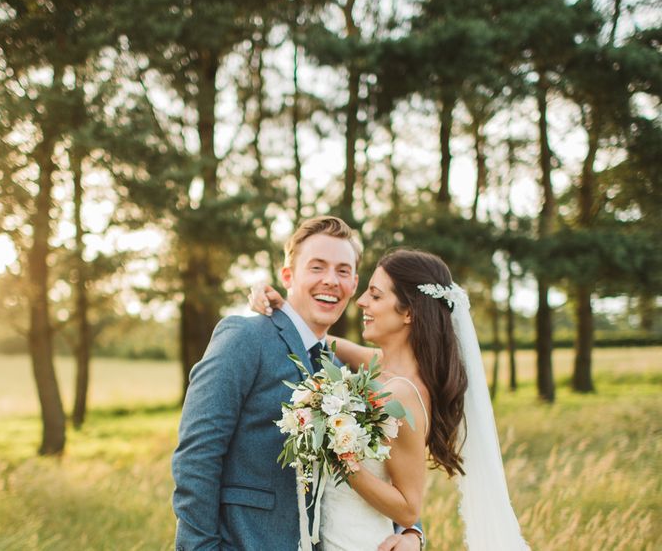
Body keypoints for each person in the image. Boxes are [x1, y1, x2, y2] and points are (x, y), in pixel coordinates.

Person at [251, 248, 530, 551]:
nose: (361, 302)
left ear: (408, 312)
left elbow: (409, 508)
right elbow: (329, 342)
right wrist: (288, 313)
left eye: (376, 295)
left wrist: (340, 455)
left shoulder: (402, 393)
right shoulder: (382, 366)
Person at [171, 216, 422, 551]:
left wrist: (412, 533)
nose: (331, 280)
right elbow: (197, 456)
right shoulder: (245, 338)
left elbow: (383, 467)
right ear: (288, 275)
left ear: (354, 283)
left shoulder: (339, 368)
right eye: (317, 267)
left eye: (343, 271)